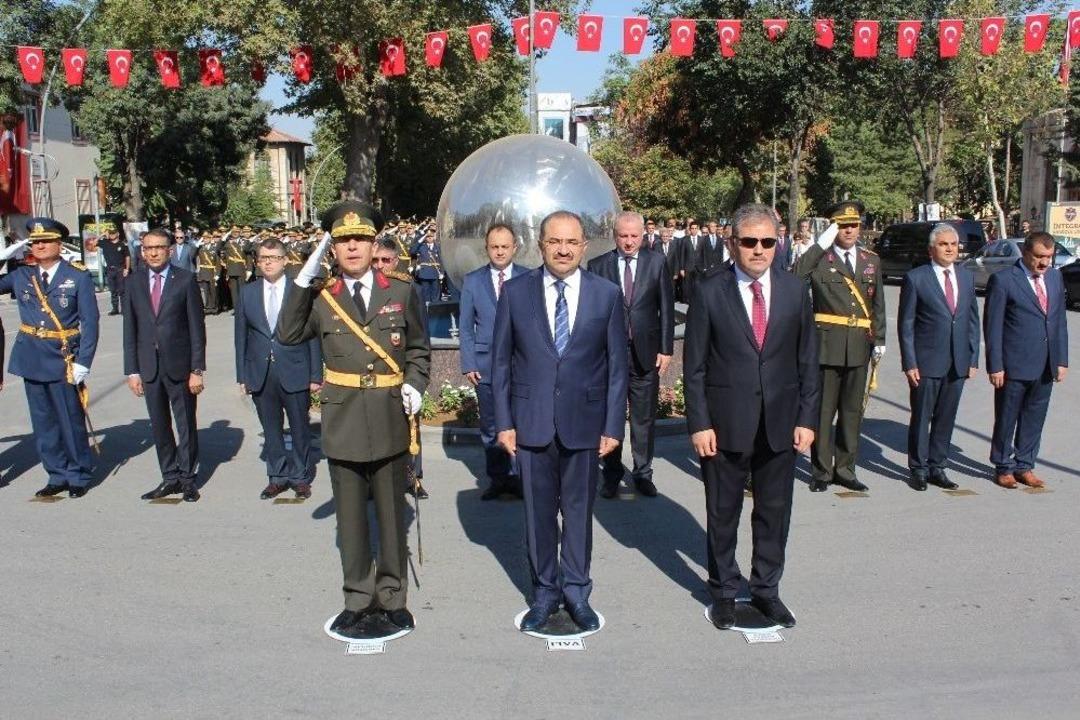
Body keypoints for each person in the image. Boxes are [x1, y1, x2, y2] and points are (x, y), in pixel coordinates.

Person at [278, 200, 430, 637]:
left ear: (373, 243)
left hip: (388, 416)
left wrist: (416, 386)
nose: (352, 248)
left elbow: (419, 349)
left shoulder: (400, 291)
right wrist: (302, 280)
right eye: (343, 241)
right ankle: (357, 598)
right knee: (350, 520)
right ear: (332, 248)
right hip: (343, 419)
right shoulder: (322, 294)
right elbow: (288, 334)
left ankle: (392, 597)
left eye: (360, 239)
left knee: (390, 514)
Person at [684, 203, 819, 630]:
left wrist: (808, 418)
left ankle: (766, 590)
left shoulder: (796, 290)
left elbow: (808, 362)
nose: (758, 250)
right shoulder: (709, 291)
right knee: (723, 512)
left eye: (767, 242)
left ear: (778, 243)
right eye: (749, 242)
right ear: (732, 243)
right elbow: (696, 367)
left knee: (774, 512)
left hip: (781, 423)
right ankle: (724, 590)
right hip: (724, 425)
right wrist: (700, 423)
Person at [492, 210, 628, 633]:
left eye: (572, 242)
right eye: (555, 242)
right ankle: (545, 592)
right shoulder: (515, 293)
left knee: (578, 512)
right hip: (530, 424)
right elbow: (500, 364)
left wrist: (612, 426)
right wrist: (504, 422)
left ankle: (576, 591)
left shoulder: (606, 295)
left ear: (584, 246)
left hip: (586, 425)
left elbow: (617, 367)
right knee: (538, 515)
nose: (564, 249)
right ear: (540, 245)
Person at [0, 220, 98, 498]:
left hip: (62, 357)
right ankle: (56, 473)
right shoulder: (21, 275)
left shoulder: (76, 276)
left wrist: (84, 361)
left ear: (59, 244)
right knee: (43, 422)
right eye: (34, 242)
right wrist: (2, 257)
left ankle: (78, 474)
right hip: (31, 357)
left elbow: (91, 322)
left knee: (70, 419)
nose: (39, 246)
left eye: (46, 241)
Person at [794, 200, 886, 493]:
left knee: (851, 412)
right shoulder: (821, 258)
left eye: (853, 225)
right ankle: (821, 471)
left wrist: (880, 339)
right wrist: (818, 246)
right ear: (834, 227)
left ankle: (845, 469)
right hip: (826, 346)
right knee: (823, 412)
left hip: (859, 346)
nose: (849, 230)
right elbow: (795, 277)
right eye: (843, 225)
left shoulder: (871, 260)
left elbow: (878, 305)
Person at [587, 211, 675, 498]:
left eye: (634, 236)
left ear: (642, 235)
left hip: (645, 353)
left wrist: (666, 348)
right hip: (609, 355)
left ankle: (642, 473)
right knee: (609, 417)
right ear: (615, 236)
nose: (628, 242)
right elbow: (591, 314)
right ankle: (611, 475)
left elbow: (666, 307)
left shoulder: (657, 262)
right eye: (623, 236)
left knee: (643, 417)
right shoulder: (597, 266)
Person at [123, 227, 207, 503]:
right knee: (159, 425)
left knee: (185, 425)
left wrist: (197, 369)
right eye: (148, 248)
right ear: (142, 251)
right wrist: (132, 370)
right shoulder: (133, 282)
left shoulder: (185, 280)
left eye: (159, 247)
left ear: (169, 250)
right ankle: (169, 476)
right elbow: (130, 330)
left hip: (180, 366)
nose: (154, 252)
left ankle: (187, 479)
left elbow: (197, 328)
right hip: (149, 367)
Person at [235, 238, 323, 500]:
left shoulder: (299, 290)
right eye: (263, 258)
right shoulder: (248, 292)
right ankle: (277, 476)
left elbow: (312, 335)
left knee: (299, 428)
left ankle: (299, 476)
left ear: (285, 260)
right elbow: (241, 336)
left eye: (273, 257)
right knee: (271, 429)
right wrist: (242, 375)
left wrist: (315, 374)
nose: (268, 262)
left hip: (295, 368)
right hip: (261, 373)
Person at [897, 224, 980, 491]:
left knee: (946, 416)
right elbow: (906, 324)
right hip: (926, 361)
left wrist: (973, 358)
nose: (950, 249)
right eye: (944, 244)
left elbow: (972, 322)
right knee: (922, 417)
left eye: (954, 245)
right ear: (932, 249)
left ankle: (938, 467)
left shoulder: (966, 278)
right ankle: (918, 469)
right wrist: (910, 362)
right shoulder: (917, 278)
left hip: (958, 361)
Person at [984, 232, 1068, 489]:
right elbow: (993, 326)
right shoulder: (1003, 280)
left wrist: (1061, 359)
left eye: (1049, 257)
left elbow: (1059, 321)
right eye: (1039, 257)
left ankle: (1025, 465)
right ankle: (1003, 466)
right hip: (1013, 364)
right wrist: (995, 365)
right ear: (1025, 253)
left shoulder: (1054, 277)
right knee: (1007, 417)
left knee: (1034, 417)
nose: (1044, 263)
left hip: (1046, 363)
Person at [459, 223, 523, 500]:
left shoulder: (528, 278)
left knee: (521, 423)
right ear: (487, 249)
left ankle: (520, 477)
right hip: (484, 366)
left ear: (514, 248)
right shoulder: (473, 281)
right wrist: (469, 363)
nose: (499, 251)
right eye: (494, 247)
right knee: (490, 424)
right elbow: (465, 327)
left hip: (520, 365)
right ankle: (497, 478)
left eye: (504, 246)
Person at [373, 236, 430, 499]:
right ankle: (374, 483)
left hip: (401, 372)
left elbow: (419, 338)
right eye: (375, 260)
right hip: (373, 375)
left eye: (386, 260)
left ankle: (412, 478)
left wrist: (415, 380)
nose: (380, 265)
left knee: (410, 429)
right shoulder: (360, 289)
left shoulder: (408, 289)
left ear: (397, 261)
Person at [99, 228, 130, 316]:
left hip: (120, 269)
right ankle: (115, 309)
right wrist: (102, 234)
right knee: (113, 291)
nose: (111, 235)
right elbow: (93, 243)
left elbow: (127, 257)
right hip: (110, 270)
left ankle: (124, 310)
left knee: (122, 291)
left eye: (113, 233)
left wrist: (127, 268)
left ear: (118, 234)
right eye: (110, 233)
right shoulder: (105, 243)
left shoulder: (122, 245)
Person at [410, 226, 443, 305]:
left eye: (431, 236)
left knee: (435, 294)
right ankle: (426, 310)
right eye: (427, 237)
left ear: (434, 237)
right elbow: (413, 251)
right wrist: (423, 237)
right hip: (424, 273)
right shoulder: (422, 247)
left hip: (435, 273)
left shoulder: (438, 247)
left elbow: (442, 260)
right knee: (425, 293)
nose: (429, 238)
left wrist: (442, 272)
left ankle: (435, 310)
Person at [196, 231, 221, 315]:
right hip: (203, 272)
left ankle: (214, 308)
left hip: (212, 272)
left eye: (207, 238)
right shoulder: (200, 248)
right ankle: (207, 308)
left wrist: (217, 274)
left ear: (210, 239)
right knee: (206, 292)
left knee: (213, 291)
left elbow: (218, 263)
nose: (205, 240)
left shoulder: (214, 248)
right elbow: (193, 250)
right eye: (204, 238)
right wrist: (199, 241)